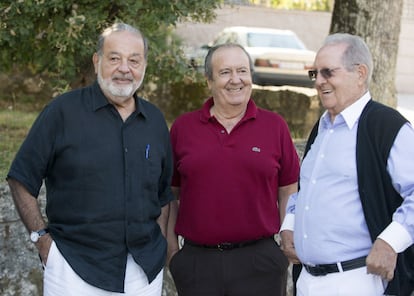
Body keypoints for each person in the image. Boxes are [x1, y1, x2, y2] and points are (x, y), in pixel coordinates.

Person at [7, 23, 175, 296]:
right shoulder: (62, 112)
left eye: (134, 60)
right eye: (114, 58)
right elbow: (21, 179)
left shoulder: (155, 121)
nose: (124, 68)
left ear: (144, 65)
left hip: (143, 274)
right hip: (74, 270)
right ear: (97, 61)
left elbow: (163, 193)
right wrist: (42, 241)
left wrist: (157, 244)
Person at [280, 33, 414, 296]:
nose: (319, 82)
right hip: (308, 281)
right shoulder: (322, 128)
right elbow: (306, 189)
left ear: (360, 73)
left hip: (358, 282)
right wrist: (290, 224)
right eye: (314, 73)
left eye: (328, 72)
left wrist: (390, 241)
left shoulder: (387, 127)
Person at [166, 43, 300, 296]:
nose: (235, 80)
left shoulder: (275, 126)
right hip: (197, 264)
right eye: (225, 72)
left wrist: (286, 240)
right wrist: (172, 250)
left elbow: (288, 190)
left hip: (260, 262)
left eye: (242, 71)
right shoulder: (184, 128)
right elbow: (170, 193)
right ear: (209, 80)